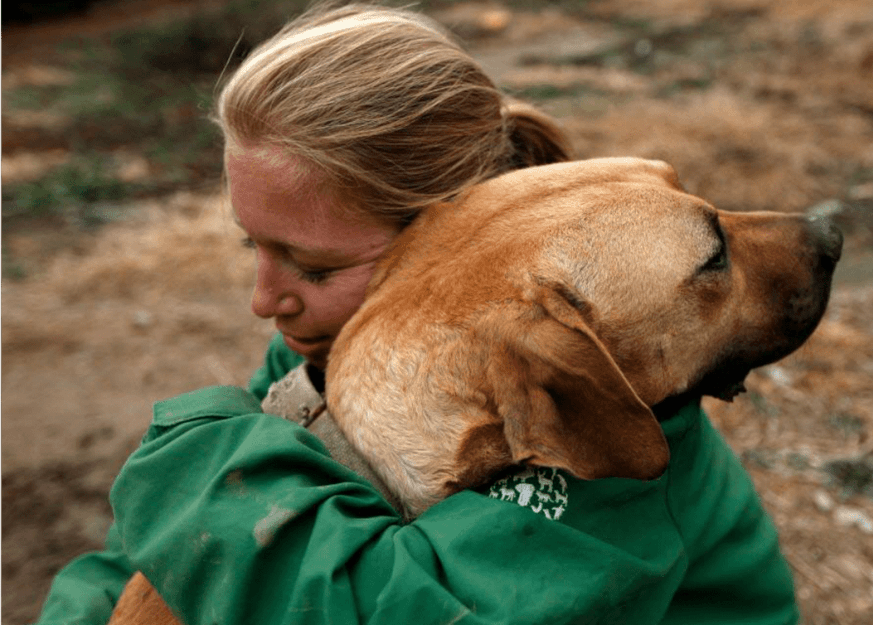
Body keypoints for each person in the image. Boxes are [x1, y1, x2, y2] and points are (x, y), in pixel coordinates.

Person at [35, 3, 799, 624]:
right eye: (253, 246)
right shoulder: (337, 343)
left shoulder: (604, 416)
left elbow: (390, 607)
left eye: (315, 265)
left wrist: (193, 462)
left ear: (450, 238)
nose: (264, 300)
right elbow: (161, 556)